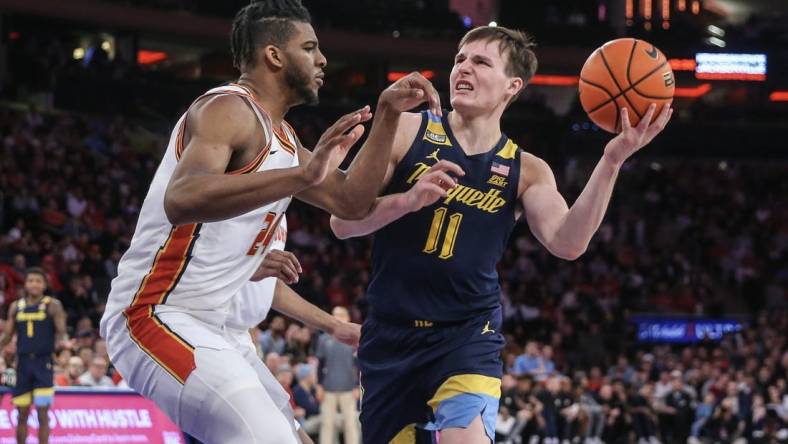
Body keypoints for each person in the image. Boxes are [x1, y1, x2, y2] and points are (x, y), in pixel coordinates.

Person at [98, 0, 437, 441]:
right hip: (155, 313)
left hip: (220, 326)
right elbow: (181, 199)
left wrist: (387, 114)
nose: (323, 59)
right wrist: (300, 175)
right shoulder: (227, 108)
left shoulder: (285, 138)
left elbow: (351, 200)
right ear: (274, 56)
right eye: (310, 47)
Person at [330, 25, 671, 443]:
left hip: (467, 332)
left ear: (513, 86)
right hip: (391, 333)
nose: (463, 69)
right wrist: (407, 201)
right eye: (459, 59)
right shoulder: (406, 131)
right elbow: (342, 223)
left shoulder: (526, 168)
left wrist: (611, 160)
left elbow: (567, 242)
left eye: (480, 61)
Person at [0, 268, 69, 444]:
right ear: (25, 283)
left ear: (44, 285)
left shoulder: (53, 305)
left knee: (42, 413)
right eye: (30, 280)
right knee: (21, 414)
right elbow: (7, 336)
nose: (34, 284)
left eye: (38, 281)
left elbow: (61, 332)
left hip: (43, 363)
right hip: (22, 365)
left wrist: (65, 345)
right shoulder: (16, 306)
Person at [316, 306, 360, 444]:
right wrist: (318, 385)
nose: (337, 317)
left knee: (351, 425)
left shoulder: (354, 339)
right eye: (334, 314)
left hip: (348, 388)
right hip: (328, 388)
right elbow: (320, 364)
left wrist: (358, 386)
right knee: (327, 425)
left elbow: (358, 364)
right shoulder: (323, 339)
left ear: (347, 317)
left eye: (341, 315)